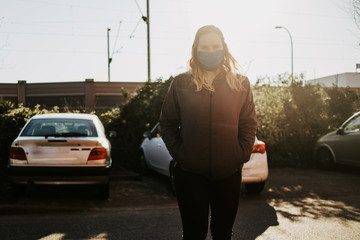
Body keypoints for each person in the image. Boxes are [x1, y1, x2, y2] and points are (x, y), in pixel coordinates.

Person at [159, 25, 257, 240]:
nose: (211, 51)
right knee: (194, 234)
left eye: (216, 46)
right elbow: (166, 123)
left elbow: (248, 124)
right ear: (196, 50)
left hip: (228, 173)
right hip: (189, 174)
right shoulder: (181, 83)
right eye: (205, 47)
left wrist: (239, 154)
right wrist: (181, 154)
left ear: (224, 48)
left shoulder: (240, 83)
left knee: (223, 234)